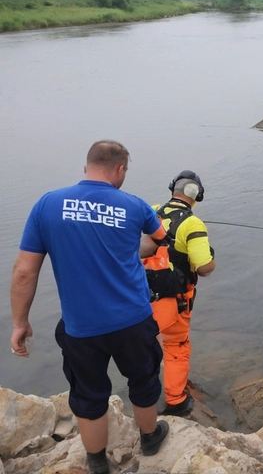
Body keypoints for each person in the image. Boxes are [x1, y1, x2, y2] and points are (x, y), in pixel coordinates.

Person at [10, 140, 170, 474]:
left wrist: (20, 323)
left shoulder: (47, 205)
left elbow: (25, 271)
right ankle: (150, 436)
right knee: (144, 379)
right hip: (133, 320)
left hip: (80, 327)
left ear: (87, 167)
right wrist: (130, 246)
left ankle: (97, 461)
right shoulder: (135, 205)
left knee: (89, 392)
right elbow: (159, 238)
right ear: (120, 169)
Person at [141, 170, 216, 417]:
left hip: (141, 296)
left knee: (144, 348)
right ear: (196, 195)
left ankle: (143, 400)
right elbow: (204, 268)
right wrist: (211, 255)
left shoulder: (151, 211)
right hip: (175, 301)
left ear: (173, 189)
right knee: (176, 347)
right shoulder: (192, 223)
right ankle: (176, 400)